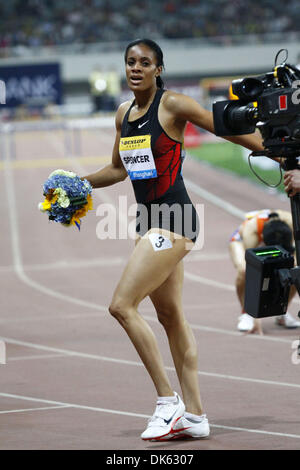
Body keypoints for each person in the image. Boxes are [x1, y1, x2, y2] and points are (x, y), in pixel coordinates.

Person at [82, 38, 266, 442]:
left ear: (158, 69)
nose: (135, 68)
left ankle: (168, 403)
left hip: (176, 219)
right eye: (130, 62)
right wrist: (77, 183)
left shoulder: (174, 105)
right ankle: (196, 416)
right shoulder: (124, 114)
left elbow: (223, 128)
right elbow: (117, 170)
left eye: (144, 63)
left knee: (121, 305)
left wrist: (278, 152)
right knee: (170, 318)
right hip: (147, 223)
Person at [229, 208, 300, 334]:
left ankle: (281, 311)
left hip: (281, 239)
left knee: (295, 270)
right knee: (244, 271)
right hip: (241, 242)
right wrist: (257, 313)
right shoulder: (251, 231)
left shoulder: (293, 222)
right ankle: (247, 313)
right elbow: (253, 273)